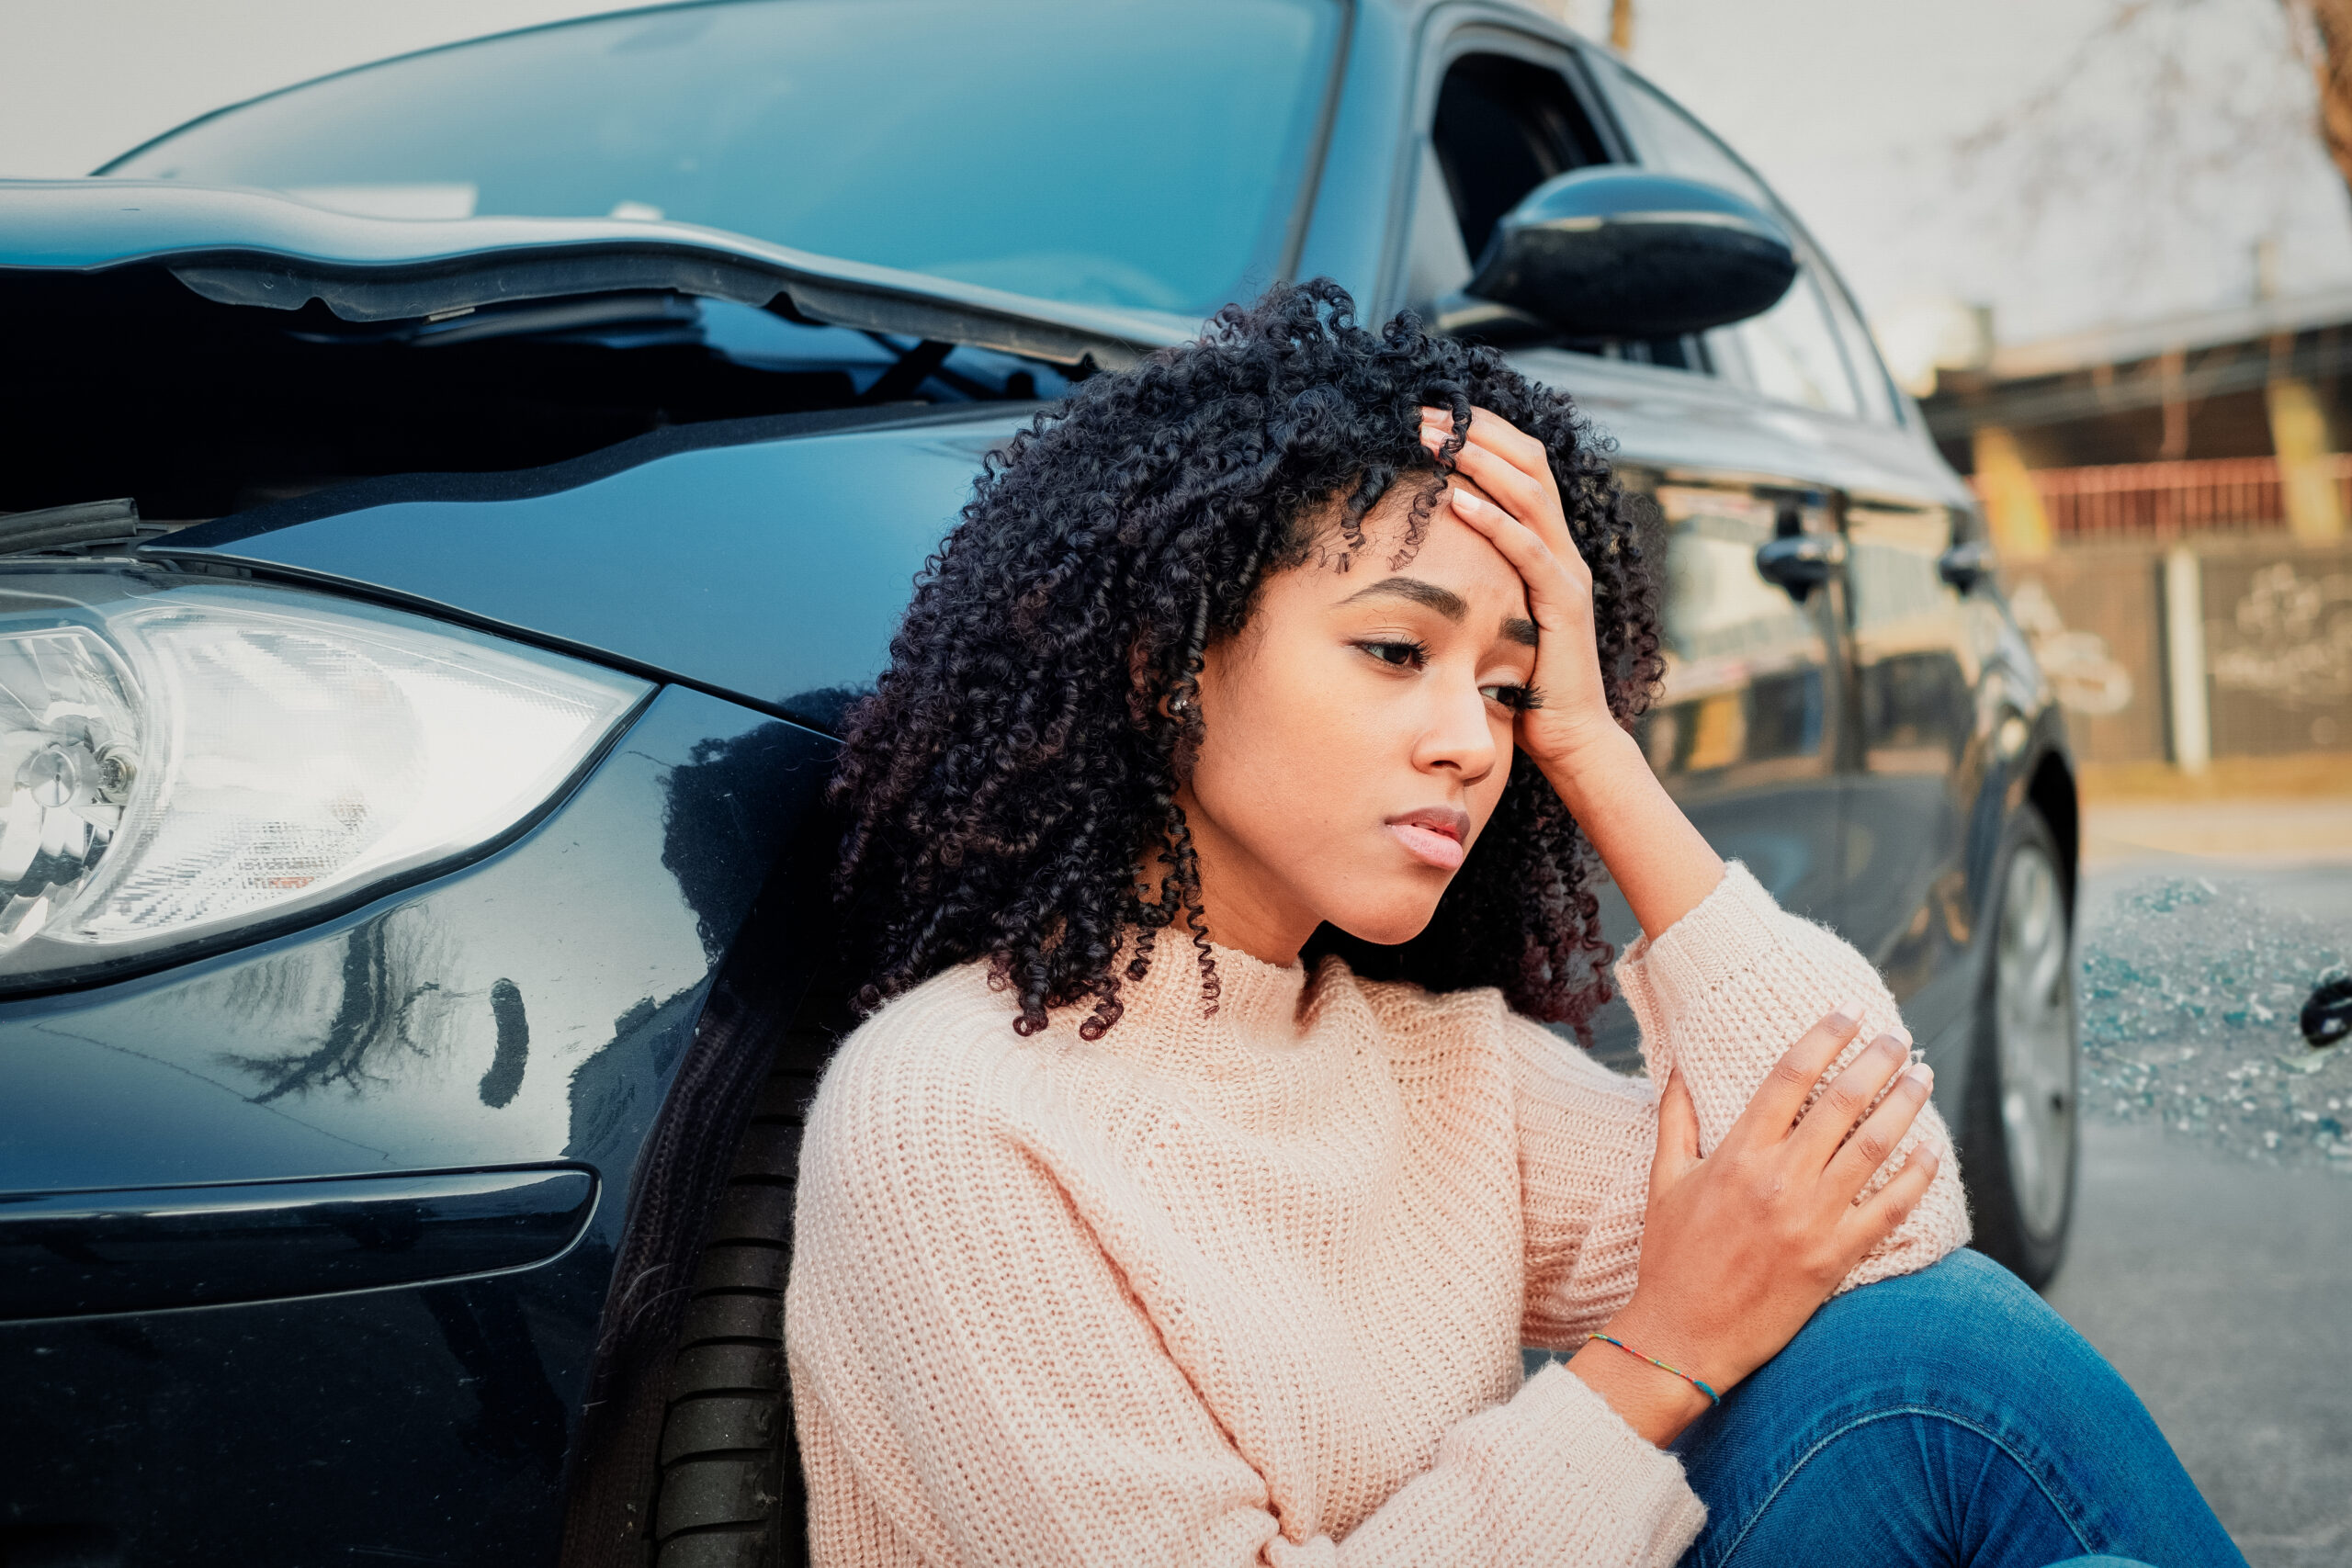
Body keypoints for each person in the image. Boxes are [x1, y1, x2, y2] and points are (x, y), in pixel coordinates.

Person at [786, 281, 2244, 1567]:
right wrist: (1661, 1350)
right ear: (1170, 658)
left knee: (1937, 1353)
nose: (1471, 742)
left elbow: (1893, 1209)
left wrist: (1599, 744)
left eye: (1504, 688)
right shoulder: (955, 1115)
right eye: (1395, 650)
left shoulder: (1430, 1064)